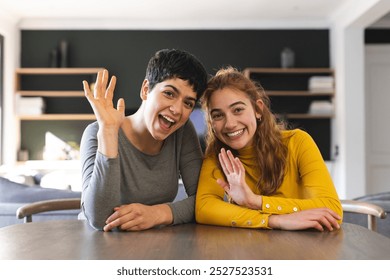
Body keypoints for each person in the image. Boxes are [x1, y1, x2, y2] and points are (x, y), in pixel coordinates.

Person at [195, 67, 343, 231]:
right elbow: (204, 208)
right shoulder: (217, 155)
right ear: (211, 123)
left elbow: (332, 209)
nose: (229, 124)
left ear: (258, 110)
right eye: (218, 115)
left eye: (238, 110)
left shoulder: (298, 142)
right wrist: (273, 220)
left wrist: (254, 201)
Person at [80, 49, 208, 231]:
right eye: (169, 94)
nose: (177, 110)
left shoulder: (182, 132)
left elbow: (206, 200)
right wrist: (109, 133)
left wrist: (158, 214)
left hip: (157, 244)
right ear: (146, 89)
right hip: (102, 245)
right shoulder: (96, 132)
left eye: (188, 103)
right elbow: (98, 219)